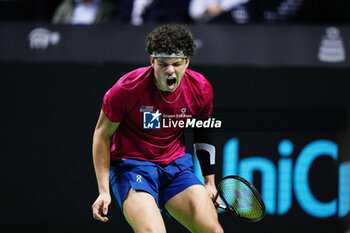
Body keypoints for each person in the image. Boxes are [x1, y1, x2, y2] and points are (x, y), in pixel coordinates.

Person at [91, 24, 224, 233]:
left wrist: (209, 182)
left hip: (175, 166)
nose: (170, 70)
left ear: (187, 61)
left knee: (213, 230)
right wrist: (103, 191)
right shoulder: (126, 89)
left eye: (177, 63)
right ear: (152, 60)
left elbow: (202, 131)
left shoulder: (200, 88)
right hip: (132, 166)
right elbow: (101, 135)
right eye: (163, 64)